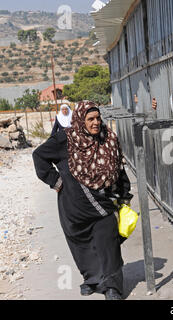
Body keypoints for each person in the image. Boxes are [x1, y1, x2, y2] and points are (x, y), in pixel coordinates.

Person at [33, 101, 133, 300]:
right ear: (80, 120)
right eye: (90, 119)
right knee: (81, 243)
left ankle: (112, 286)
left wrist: (124, 195)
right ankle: (92, 279)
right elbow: (39, 156)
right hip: (73, 205)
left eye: (98, 118)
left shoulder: (109, 138)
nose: (96, 123)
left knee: (108, 243)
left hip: (103, 203)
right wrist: (56, 181)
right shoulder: (66, 139)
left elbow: (118, 168)